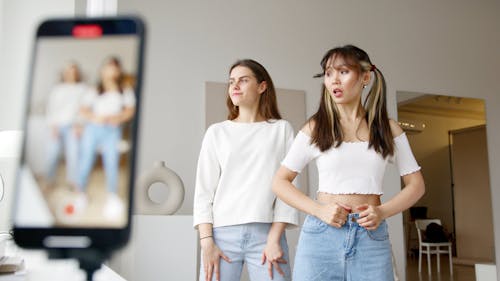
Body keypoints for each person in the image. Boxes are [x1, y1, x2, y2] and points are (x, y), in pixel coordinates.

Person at [272, 45, 425, 280]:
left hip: (371, 238)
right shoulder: (315, 127)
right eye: (328, 73)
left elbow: (416, 185)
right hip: (320, 238)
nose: (334, 80)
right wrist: (319, 210)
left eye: (343, 72)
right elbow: (279, 182)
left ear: (365, 77)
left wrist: (382, 211)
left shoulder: (387, 128)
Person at [193, 59, 298, 281]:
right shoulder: (217, 133)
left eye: (243, 80)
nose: (235, 86)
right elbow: (204, 191)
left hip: (267, 234)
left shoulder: (281, 130)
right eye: (231, 82)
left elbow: (288, 191)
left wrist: (274, 239)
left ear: (262, 86)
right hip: (221, 236)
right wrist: (207, 243)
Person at [77, 56, 136, 218]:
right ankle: (80, 193)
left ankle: (112, 196)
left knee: (112, 162)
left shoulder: (125, 89)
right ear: (102, 70)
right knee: (86, 160)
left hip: (112, 130)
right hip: (93, 128)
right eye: (107, 67)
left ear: (118, 71)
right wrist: (95, 117)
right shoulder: (94, 89)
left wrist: (117, 118)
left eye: (114, 67)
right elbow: (83, 109)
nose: (110, 70)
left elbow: (130, 110)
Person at [45, 62, 87, 187]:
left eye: (73, 72)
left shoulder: (82, 88)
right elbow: (50, 108)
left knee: (73, 155)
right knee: (51, 155)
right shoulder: (57, 89)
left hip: (73, 127)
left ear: (77, 73)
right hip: (56, 126)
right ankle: (49, 180)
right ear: (64, 73)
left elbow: (83, 108)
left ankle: (72, 182)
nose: (70, 74)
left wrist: (79, 125)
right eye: (68, 72)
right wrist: (53, 126)